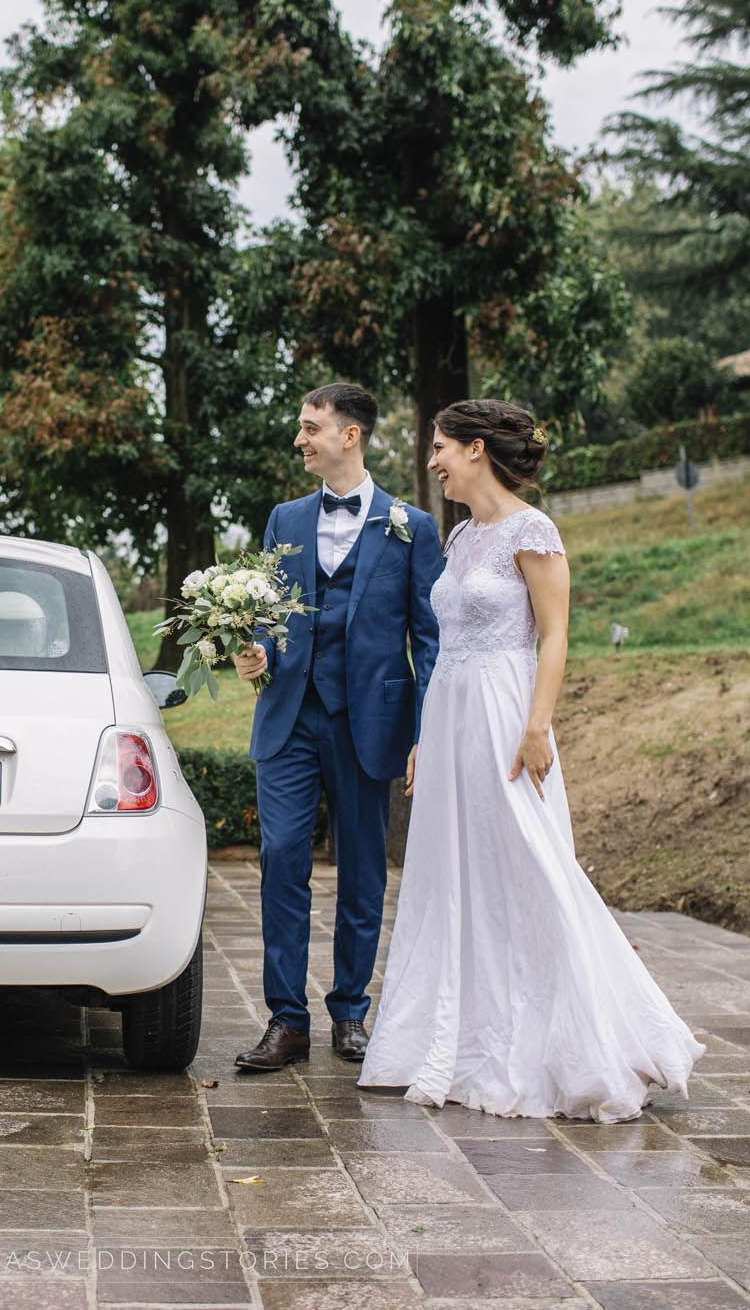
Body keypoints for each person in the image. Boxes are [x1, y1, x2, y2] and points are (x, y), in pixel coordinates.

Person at [358, 398, 704, 1120]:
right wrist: (424, 734)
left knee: (532, 865)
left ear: (477, 448)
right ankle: (456, 1038)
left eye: (441, 448)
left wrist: (538, 725)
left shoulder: (532, 530)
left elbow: (555, 636)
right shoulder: (458, 540)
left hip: (506, 712)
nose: (433, 462)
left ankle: (585, 1038)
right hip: (451, 715)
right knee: (456, 872)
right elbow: (443, 645)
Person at [231, 383, 442, 1071]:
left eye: (310, 427)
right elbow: (265, 611)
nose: (300, 438)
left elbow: (428, 635)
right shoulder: (283, 519)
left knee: (361, 871)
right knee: (282, 857)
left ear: (349, 435)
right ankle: (286, 1019)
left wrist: (426, 728)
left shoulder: (412, 526)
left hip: (369, 719)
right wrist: (254, 646)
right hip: (288, 714)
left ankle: (350, 1010)